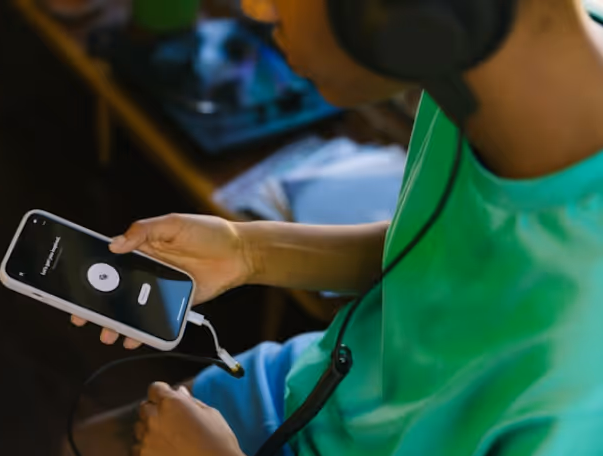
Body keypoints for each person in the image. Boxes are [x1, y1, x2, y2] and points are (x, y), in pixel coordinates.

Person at [71, 0, 603, 454]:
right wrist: (247, 252)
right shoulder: (481, 65)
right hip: (322, 390)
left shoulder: (583, 364)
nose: (256, 9)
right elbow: (435, 252)